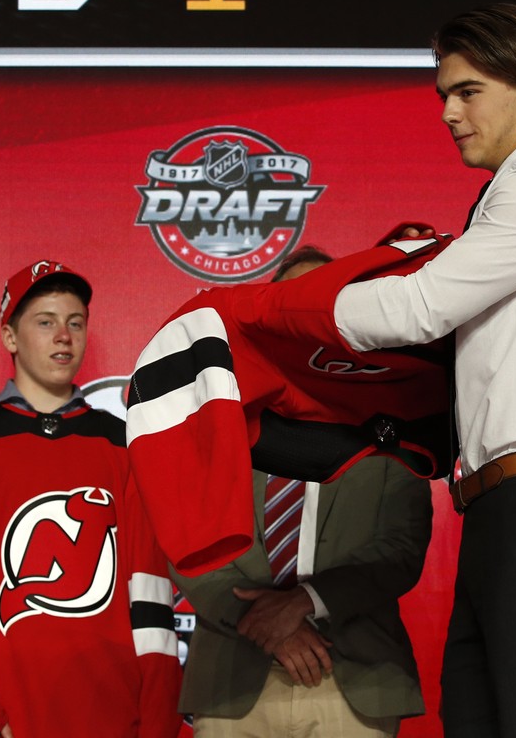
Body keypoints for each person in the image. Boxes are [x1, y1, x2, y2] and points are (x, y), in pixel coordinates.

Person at [332, 3, 516, 738]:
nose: (447, 111)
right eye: (443, 94)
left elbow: (422, 306)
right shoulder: (515, 190)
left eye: (467, 91)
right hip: (508, 510)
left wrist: (285, 314)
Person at [0, 261, 180, 738]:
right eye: (45, 321)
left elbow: (151, 600)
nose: (64, 336)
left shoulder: (123, 444)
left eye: (75, 323)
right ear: (9, 337)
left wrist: (155, 722)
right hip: (0, 716)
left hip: (109, 715)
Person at [174, 246, 433, 737]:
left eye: (326, 301)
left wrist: (304, 602)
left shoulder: (394, 422)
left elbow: (401, 547)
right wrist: (261, 620)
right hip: (233, 682)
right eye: (296, 300)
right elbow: (189, 536)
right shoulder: (218, 413)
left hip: (353, 680)